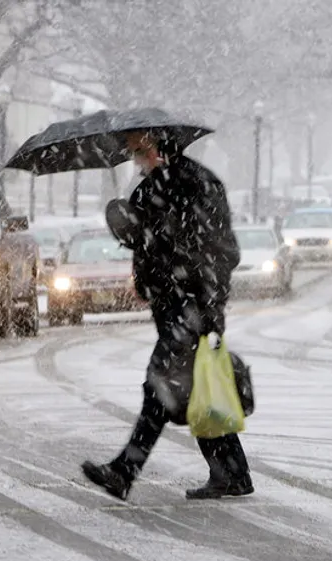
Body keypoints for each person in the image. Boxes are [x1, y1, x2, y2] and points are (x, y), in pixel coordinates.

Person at [81, 131, 253, 500]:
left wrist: (208, 308)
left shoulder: (199, 184)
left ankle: (124, 471)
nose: (133, 155)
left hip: (192, 306)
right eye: (130, 151)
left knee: (158, 386)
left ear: (159, 145)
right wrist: (124, 223)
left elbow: (223, 252)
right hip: (170, 305)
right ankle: (233, 473)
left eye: (138, 148)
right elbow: (143, 240)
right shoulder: (147, 189)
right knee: (193, 389)